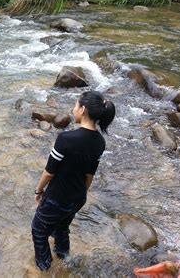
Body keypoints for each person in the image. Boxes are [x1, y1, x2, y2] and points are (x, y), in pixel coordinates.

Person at [31, 91, 116, 271]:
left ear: (83, 109)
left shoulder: (66, 139)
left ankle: (45, 268)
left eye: (76, 105)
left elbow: (49, 172)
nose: (73, 109)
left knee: (39, 231)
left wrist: (38, 190)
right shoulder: (100, 142)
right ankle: (65, 259)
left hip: (57, 197)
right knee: (61, 228)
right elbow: (89, 175)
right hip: (77, 198)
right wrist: (80, 195)